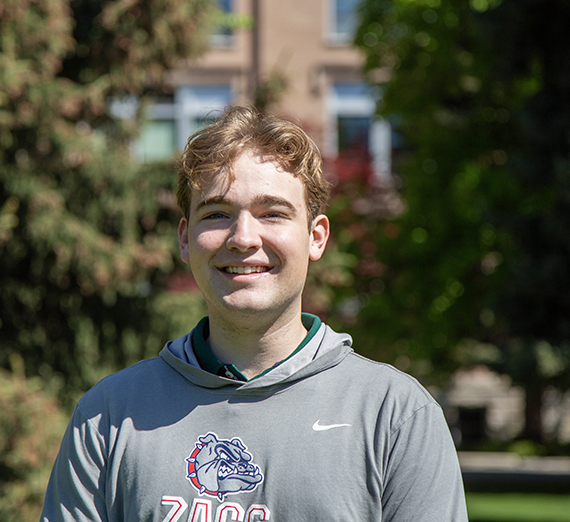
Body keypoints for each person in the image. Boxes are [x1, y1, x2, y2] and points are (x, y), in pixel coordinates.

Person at [41, 105, 468, 522]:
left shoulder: (393, 416)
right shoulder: (109, 415)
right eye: (217, 214)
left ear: (315, 237)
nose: (243, 237)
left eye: (272, 214)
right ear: (186, 239)